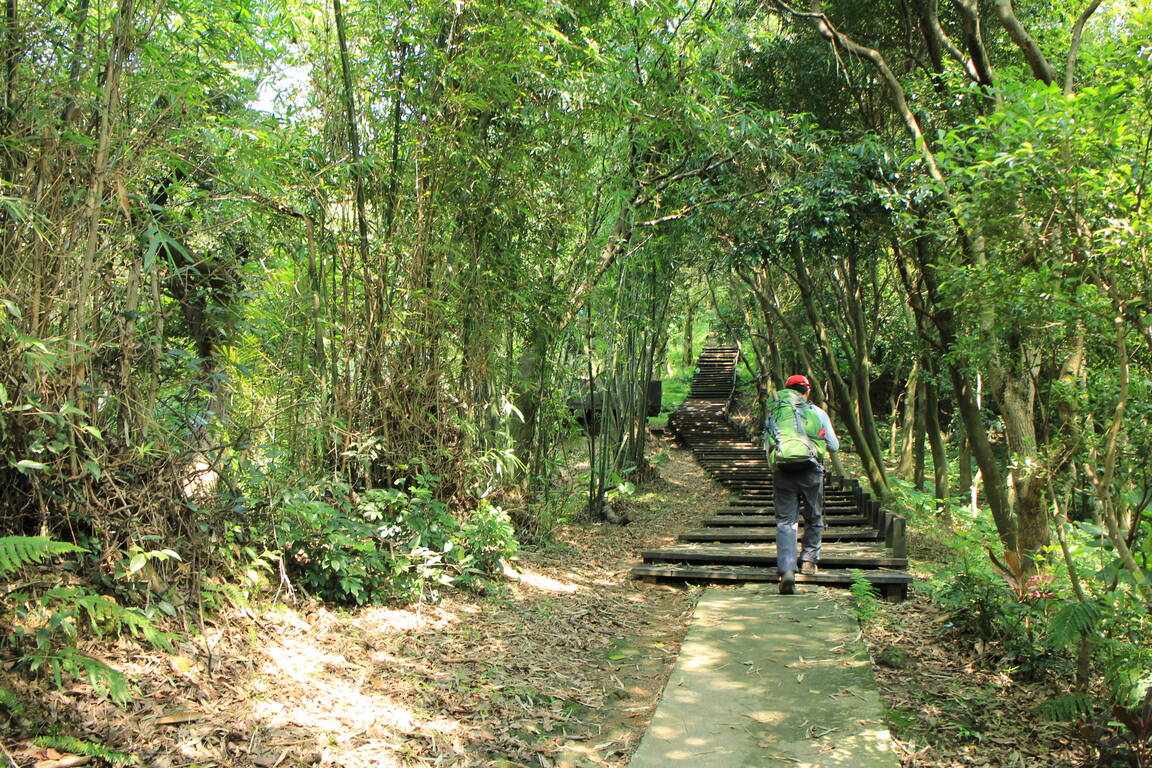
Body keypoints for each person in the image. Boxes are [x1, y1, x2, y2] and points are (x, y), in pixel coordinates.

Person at [763, 374, 839, 595]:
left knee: (786, 521)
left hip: (783, 470)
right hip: (811, 470)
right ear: (807, 391)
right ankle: (808, 561)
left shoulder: (777, 411)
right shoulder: (816, 412)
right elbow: (833, 446)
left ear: (787, 390)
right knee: (814, 515)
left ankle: (787, 569)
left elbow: (766, 443)